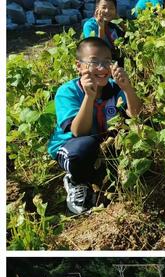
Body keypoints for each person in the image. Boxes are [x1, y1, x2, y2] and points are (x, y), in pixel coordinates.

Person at [48, 37, 142, 215]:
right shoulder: (67, 91)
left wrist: (128, 88)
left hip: (104, 143)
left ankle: (99, 175)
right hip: (71, 145)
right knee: (83, 149)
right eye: (94, 62)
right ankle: (76, 181)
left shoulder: (115, 88)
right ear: (79, 66)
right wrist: (89, 97)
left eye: (107, 61)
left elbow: (136, 116)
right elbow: (78, 132)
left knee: (140, 133)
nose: (102, 68)